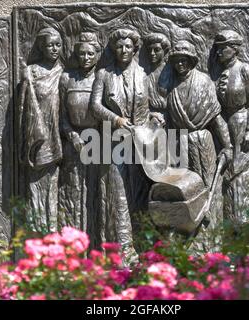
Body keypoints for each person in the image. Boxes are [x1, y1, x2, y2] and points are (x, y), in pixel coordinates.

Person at [90, 29, 153, 262]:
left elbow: (148, 106)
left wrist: (154, 119)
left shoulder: (143, 74)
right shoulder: (104, 75)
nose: (124, 51)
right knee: (118, 196)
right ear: (114, 49)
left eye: (128, 47)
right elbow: (95, 107)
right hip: (114, 142)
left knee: (138, 194)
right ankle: (123, 250)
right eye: (119, 47)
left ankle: (144, 248)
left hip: (140, 144)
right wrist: (116, 120)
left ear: (134, 49)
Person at [166, 40, 232, 246]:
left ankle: (209, 241)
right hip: (179, 143)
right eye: (177, 61)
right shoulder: (172, 86)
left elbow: (216, 118)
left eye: (184, 60)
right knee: (183, 190)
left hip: (202, 141)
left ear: (192, 61)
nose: (180, 65)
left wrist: (227, 145)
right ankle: (184, 239)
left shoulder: (203, 81)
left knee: (206, 186)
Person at [18, 27, 63, 233]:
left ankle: (52, 229)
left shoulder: (63, 73)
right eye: (49, 45)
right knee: (35, 185)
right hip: (37, 133)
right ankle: (36, 230)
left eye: (57, 45)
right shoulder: (32, 72)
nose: (54, 49)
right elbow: (23, 108)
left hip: (58, 135)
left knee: (53, 185)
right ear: (41, 47)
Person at [214, 30, 249, 226]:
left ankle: (247, 223)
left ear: (234, 49)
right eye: (217, 49)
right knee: (228, 173)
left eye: (222, 48)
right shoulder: (219, 73)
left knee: (243, 172)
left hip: (242, 125)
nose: (218, 53)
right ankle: (231, 222)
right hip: (224, 125)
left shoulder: (245, 69)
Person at [58, 32, 100, 237]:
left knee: (93, 193)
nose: (86, 58)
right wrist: (72, 135)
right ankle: (72, 242)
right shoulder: (67, 79)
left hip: (96, 142)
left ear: (97, 55)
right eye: (82, 54)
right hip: (72, 142)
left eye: (90, 54)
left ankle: (94, 243)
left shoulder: (101, 78)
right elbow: (61, 115)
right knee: (71, 192)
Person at [144, 33, 171, 124]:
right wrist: (150, 114)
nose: (152, 53)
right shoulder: (143, 73)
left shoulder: (172, 72)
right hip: (151, 118)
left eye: (157, 50)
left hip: (173, 119)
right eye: (149, 50)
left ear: (165, 51)